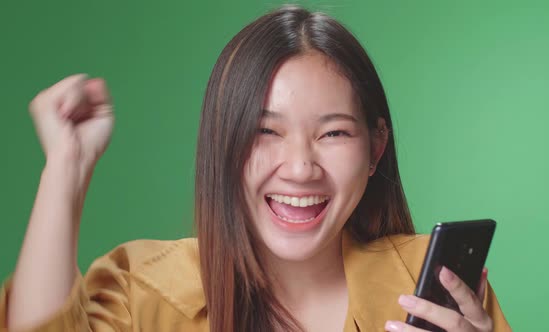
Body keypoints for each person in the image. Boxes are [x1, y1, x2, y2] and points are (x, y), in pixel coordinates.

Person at [1, 5, 511, 332]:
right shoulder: (146, 291)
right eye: (266, 131)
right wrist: (66, 167)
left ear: (376, 149)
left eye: (333, 133)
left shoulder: (436, 287)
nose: (300, 168)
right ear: (223, 144)